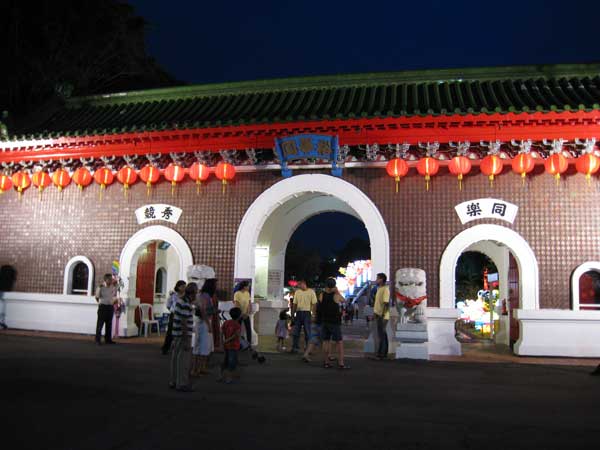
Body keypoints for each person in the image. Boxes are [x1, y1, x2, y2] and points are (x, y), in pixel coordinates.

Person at [169, 282, 195, 392]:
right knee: (183, 360)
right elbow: (184, 322)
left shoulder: (181, 301)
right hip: (182, 335)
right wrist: (186, 338)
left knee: (176, 359)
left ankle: (174, 381)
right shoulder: (185, 303)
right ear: (192, 293)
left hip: (177, 334)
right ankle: (182, 383)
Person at [320, 278, 349, 369]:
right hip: (335, 322)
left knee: (326, 341)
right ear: (334, 286)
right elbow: (344, 301)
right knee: (339, 342)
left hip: (325, 320)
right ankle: (341, 363)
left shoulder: (322, 295)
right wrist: (338, 292)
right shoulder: (336, 296)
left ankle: (326, 362)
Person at [191, 279, 216, 376]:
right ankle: (196, 369)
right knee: (202, 346)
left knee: (201, 345)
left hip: (201, 322)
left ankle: (200, 368)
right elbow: (203, 310)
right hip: (203, 322)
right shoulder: (205, 296)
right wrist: (208, 324)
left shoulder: (202, 295)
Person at [290, 279, 317, 353]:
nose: (299, 286)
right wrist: (292, 314)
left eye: (299, 285)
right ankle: (295, 348)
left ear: (304, 284)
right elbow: (295, 304)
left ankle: (307, 349)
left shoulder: (311, 292)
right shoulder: (297, 292)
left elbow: (314, 304)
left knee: (307, 332)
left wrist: (313, 315)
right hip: (299, 313)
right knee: (296, 331)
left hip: (307, 313)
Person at [161, 280, 186, 355]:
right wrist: (172, 310)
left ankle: (180, 348)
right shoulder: (173, 295)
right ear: (178, 287)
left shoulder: (185, 296)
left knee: (181, 331)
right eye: (182, 286)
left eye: (185, 286)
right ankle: (165, 348)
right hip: (174, 314)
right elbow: (168, 304)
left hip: (182, 315)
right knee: (170, 331)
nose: (184, 288)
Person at [220, 306, 242, 384]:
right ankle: (229, 377)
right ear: (239, 316)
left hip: (226, 346)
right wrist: (227, 340)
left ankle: (222, 376)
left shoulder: (226, 322)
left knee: (225, 361)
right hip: (234, 346)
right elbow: (236, 335)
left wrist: (222, 341)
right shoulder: (237, 325)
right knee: (232, 362)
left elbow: (221, 331)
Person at [94, 274, 117, 345]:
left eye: (111, 279)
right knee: (100, 324)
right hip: (103, 307)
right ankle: (98, 339)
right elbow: (97, 297)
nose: (111, 280)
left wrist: (113, 302)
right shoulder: (101, 287)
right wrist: (101, 303)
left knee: (109, 324)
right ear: (105, 279)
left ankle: (108, 339)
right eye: (109, 279)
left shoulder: (113, 287)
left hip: (110, 307)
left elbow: (114, 295)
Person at [373, 273, 390, 360]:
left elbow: (386, 303)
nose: (376, 280)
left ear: (382, 279)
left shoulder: (385, 289)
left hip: (382, 315)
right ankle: (382, 353)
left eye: (378, 278)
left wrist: (382, 314)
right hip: (379, 314)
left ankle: (381, 354)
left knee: (382, 335)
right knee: (382, 334)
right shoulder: (379, 289)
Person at [234, 280, 253, 348]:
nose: (249, 287)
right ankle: (237, 344)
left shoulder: (247, 293)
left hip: (246, 314)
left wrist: (247, 313)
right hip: (239, 315)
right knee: (237, 329)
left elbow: (249, 303)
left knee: (248, 329)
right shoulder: (237, 293)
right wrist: (241, 314)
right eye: (248, 286)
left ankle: (249, 344)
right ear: (244, 286)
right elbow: (236, 304)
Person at [0, 265, 17, 330]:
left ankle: (2, 323)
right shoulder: (11, 276)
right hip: (5, 291)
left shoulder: (3, 274)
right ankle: (2, 323)